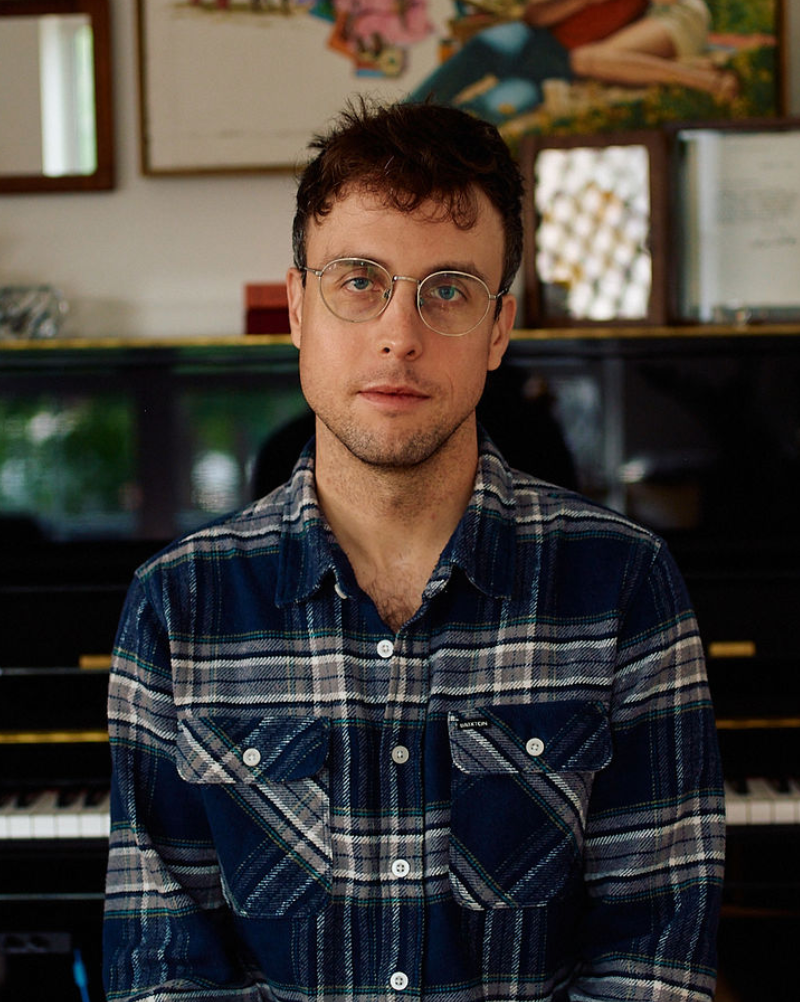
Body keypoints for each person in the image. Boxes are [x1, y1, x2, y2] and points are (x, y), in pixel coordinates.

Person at [103, 99, 725, 1001]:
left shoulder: (625, 583)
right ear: (297, 309)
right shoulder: (176, 604)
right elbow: (165, 969)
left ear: (499, 329)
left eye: (449, 290)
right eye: (359, 281)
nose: (400, 334)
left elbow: (653, 955)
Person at [407, 0, 736, 124]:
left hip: (557, 67)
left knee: (493, 106)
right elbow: (533, 16)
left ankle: (428, 142)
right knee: (485, 46)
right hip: (532, 39)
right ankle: (405, 115)